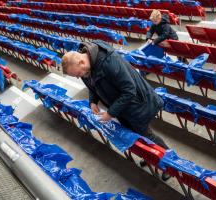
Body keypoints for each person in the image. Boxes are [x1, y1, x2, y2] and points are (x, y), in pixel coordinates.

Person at [62, 40, 171, 180]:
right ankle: (153, 156)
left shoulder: (109, 60)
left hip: (137, 105)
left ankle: (169, 162)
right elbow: (92, 85)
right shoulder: (85, 68)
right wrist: (93, 101)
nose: (79, 76)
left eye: (78, 73)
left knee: (146, 134)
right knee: (136, 135)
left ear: (81, 62)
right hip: (122, 108)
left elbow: (129, 90)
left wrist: (110, 113)